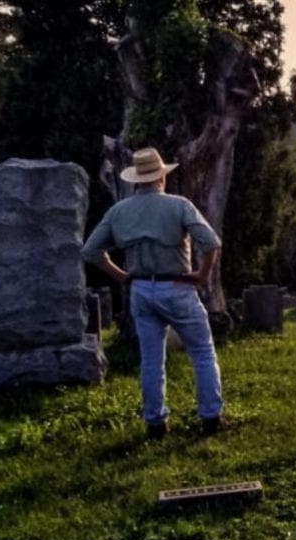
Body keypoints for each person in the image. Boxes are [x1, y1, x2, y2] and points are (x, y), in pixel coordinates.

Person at [82, 147, 226, 439]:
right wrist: (201, 275)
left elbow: (91, 251)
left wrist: (123, 277)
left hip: (141, 290)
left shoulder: (118, 211)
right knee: (201, 351)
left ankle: (156, 423)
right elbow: (211, 243)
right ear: (162, 177)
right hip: (177, 285)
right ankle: (211, 417)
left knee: (151, 358)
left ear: (136, 179)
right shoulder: (179, 205)